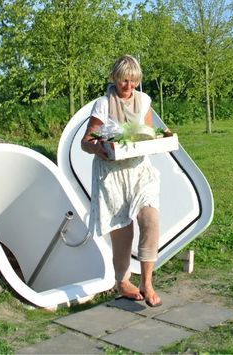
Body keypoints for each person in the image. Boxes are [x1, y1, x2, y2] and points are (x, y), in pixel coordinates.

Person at [81, 54, 162, 307]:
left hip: (139, 170)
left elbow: (148, 134)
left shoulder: (144, 100)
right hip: (112, 172)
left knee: (150, 219)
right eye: (124, 80)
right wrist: (100, 148)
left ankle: (147, 282)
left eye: (133, 81)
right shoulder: (103, 105)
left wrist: (155, 140)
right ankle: (122, 280)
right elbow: (87, 142)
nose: (129, 86)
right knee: (122, 228)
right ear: (114, 79)